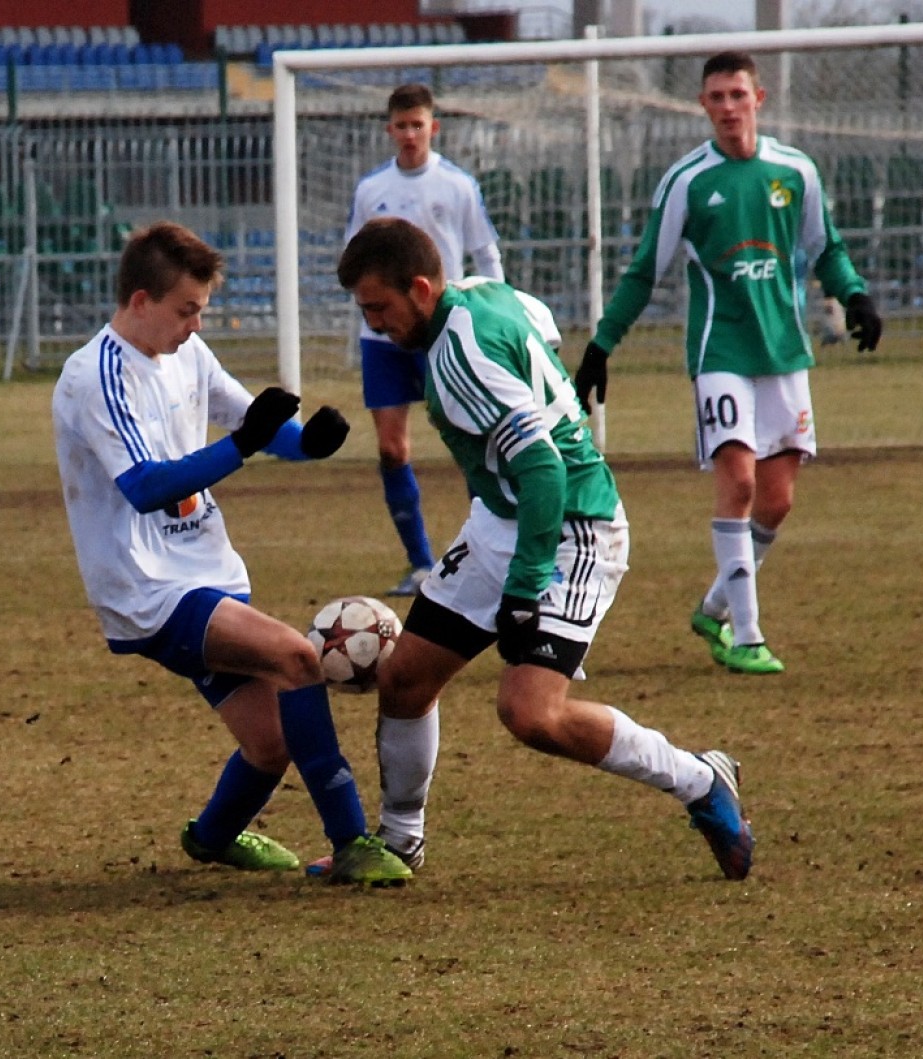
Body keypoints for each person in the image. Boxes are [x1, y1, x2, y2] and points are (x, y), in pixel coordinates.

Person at [324, 215, 755, 883]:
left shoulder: (458, 357)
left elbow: (545, 469)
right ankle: (400, 841)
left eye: (379, 308)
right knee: (405, 679)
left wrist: (525, 588)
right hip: (501, 519)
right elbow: (542, 329)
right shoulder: (487, 293)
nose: (375, 325)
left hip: (571, 529)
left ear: (421, 289)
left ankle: (700, 778)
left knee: (531, 714)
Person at [51, 220, 411, 887]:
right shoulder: (94, 375)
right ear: (140, 301)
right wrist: (244, 444)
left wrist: (308, 444)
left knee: (270, 744)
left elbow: (258, 424)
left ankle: (212, 836)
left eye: (202, 311)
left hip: (205, 574)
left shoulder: (187, 352)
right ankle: (351, 840)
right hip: (148, 589)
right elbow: (145, 487)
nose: (195, 326)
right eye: (186, 310)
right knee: (298, 658)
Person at [574, 50, 882, 675]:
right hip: (720, 352)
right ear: (703, 105)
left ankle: (714, 605)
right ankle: (746, 636)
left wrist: (855, 295)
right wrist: (601, 346)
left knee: (777, 501)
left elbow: (825, 248)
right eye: (716, 97)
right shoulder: (688, 181)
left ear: (757, 99)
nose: (727, 107)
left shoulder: (795, 171)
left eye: (737, 95)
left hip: (784, 352)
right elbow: (644, 271)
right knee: (738, 483)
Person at [345, 82, 505, 596]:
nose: (410, 134)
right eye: (402, 125)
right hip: (383, 339)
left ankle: (487, 553)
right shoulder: (371, 190)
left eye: (418, 125)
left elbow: (486, 253)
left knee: (471, 441)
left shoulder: (457, 185)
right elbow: (354, 258)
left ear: (433, 128)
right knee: (392, 449)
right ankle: (419, 564)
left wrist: (495, 315)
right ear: (389, 130)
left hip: (443, 331)